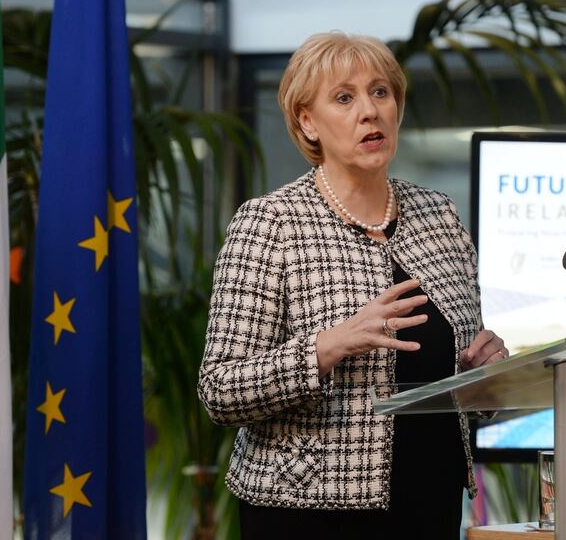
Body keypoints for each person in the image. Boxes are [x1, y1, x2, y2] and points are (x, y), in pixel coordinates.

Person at [198, 32, 508, 539]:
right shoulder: (271, 222)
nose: (370, 111)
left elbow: (457, 376)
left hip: (430, 498)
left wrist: (483, 374)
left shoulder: (440, 216)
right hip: (308, 512)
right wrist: (328, 346)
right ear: (307, 121)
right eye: (344, 98)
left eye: (381, 92)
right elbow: (220, 391)